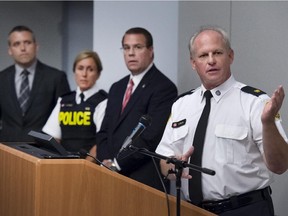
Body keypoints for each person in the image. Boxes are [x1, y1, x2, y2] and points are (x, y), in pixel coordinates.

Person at [156, 25, 288, 215]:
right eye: (203, 55)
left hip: (245, 209)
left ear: (230, 56)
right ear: (193, 63)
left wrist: (268, 123)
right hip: (191, 210)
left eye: (217, 52)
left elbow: (281, 165)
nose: (211, 61)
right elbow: (163, 160)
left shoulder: (255, 102)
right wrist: (173, 165)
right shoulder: (180, 105)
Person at [89, 27, 178, 191]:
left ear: (151, 50)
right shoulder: (117, 87)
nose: (131, 53)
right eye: (126, 47)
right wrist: (106, 161)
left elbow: (150, 138)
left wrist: (117, 164)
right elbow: (104, 132)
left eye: (137, 47)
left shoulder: (164, 87)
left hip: (142, 181)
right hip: (110, 176)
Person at [0, 25, 70, 142]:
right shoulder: (1, 79)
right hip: (7, 151)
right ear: (10, 50)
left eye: (27, 42)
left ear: (36, 46)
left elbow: (64, 119)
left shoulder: (56, 77)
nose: (23, 48)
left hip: (43, 150)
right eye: (16, 44)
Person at [42, 50, 107, 153]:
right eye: (80, 68)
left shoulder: (103, 102)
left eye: (90, 69)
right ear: (74, 72)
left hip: (89, 165)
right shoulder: (64, 100)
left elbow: (101, 142)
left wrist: (84, 166)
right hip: (64, 162)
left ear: (98, 74)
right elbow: (53, 137)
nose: (84, 74)